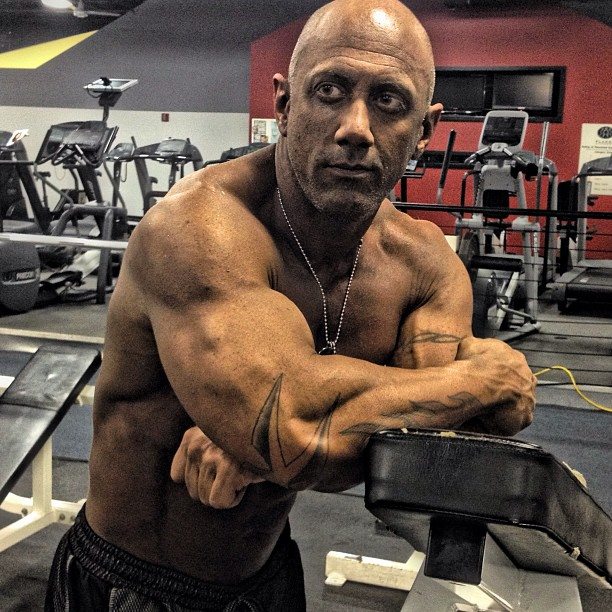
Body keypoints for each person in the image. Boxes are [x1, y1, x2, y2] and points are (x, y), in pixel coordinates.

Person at [45, 0, 536, 610]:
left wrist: (263, 445)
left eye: (388, 100)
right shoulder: (199, 230)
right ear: (284, 103)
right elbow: (305, 431)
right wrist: (485, 380)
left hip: (269, 575)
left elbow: (422, 449)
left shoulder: (424, 264)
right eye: (329, 90)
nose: (355, 126)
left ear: (425, 129)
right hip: (134, 583)